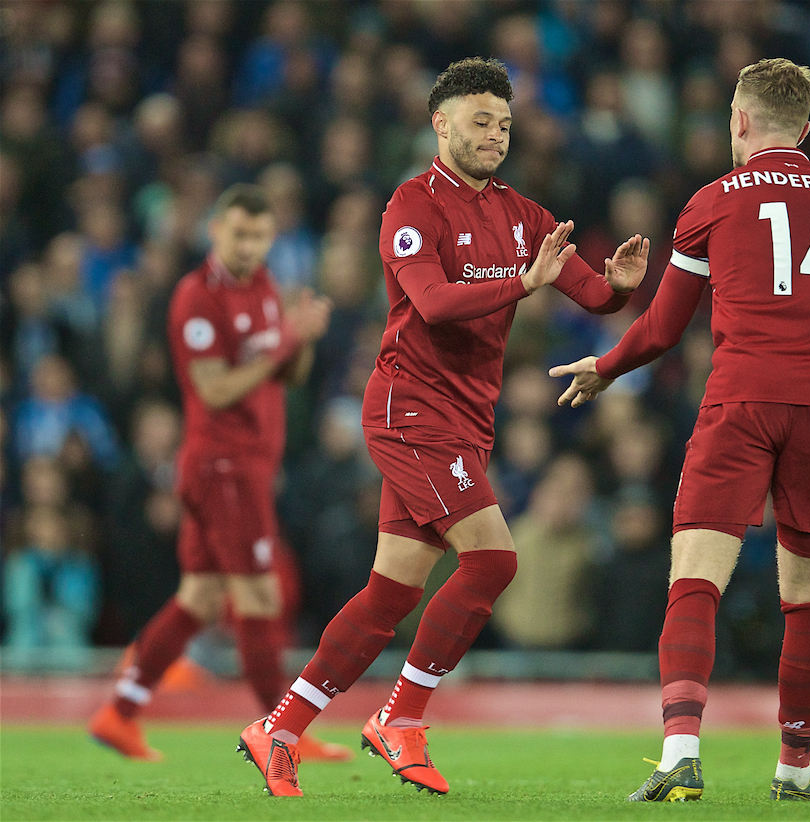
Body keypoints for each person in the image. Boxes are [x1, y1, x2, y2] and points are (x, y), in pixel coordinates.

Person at [238, 57, 648, 798]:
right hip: (410, 410)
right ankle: (402, 719)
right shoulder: (411, 204)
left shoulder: (521, 213)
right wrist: (521, 283)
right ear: (441, 123)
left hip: (463, 419)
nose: (495, 135)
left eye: (504, 124)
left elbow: (585, 290)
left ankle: (279, 727)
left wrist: (617, 289)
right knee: (493, 563)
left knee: (391, 596)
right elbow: (429, 302)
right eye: (480, 121)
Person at [551, 57, 810, 803]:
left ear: (739, 121)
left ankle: (681, 756)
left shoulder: (715, 199)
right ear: (807, 129)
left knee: (695, 579)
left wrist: (606, 365)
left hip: (744, 398)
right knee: (809, 599)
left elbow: (663, 328)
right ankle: (794, 769)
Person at [88, 184, 339, 762]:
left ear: (271, 237)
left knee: (200, 597)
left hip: (242, 464)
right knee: (258, 592)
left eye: (258, 235)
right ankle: (283, 729)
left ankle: (119, 713)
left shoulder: (268, 288)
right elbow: (214, 387)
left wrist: (302, 339)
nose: (248, 245)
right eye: (238, 233)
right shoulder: (195, 297)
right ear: (215, 231)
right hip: (222, 464)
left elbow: (290, 375)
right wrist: (282, 348)